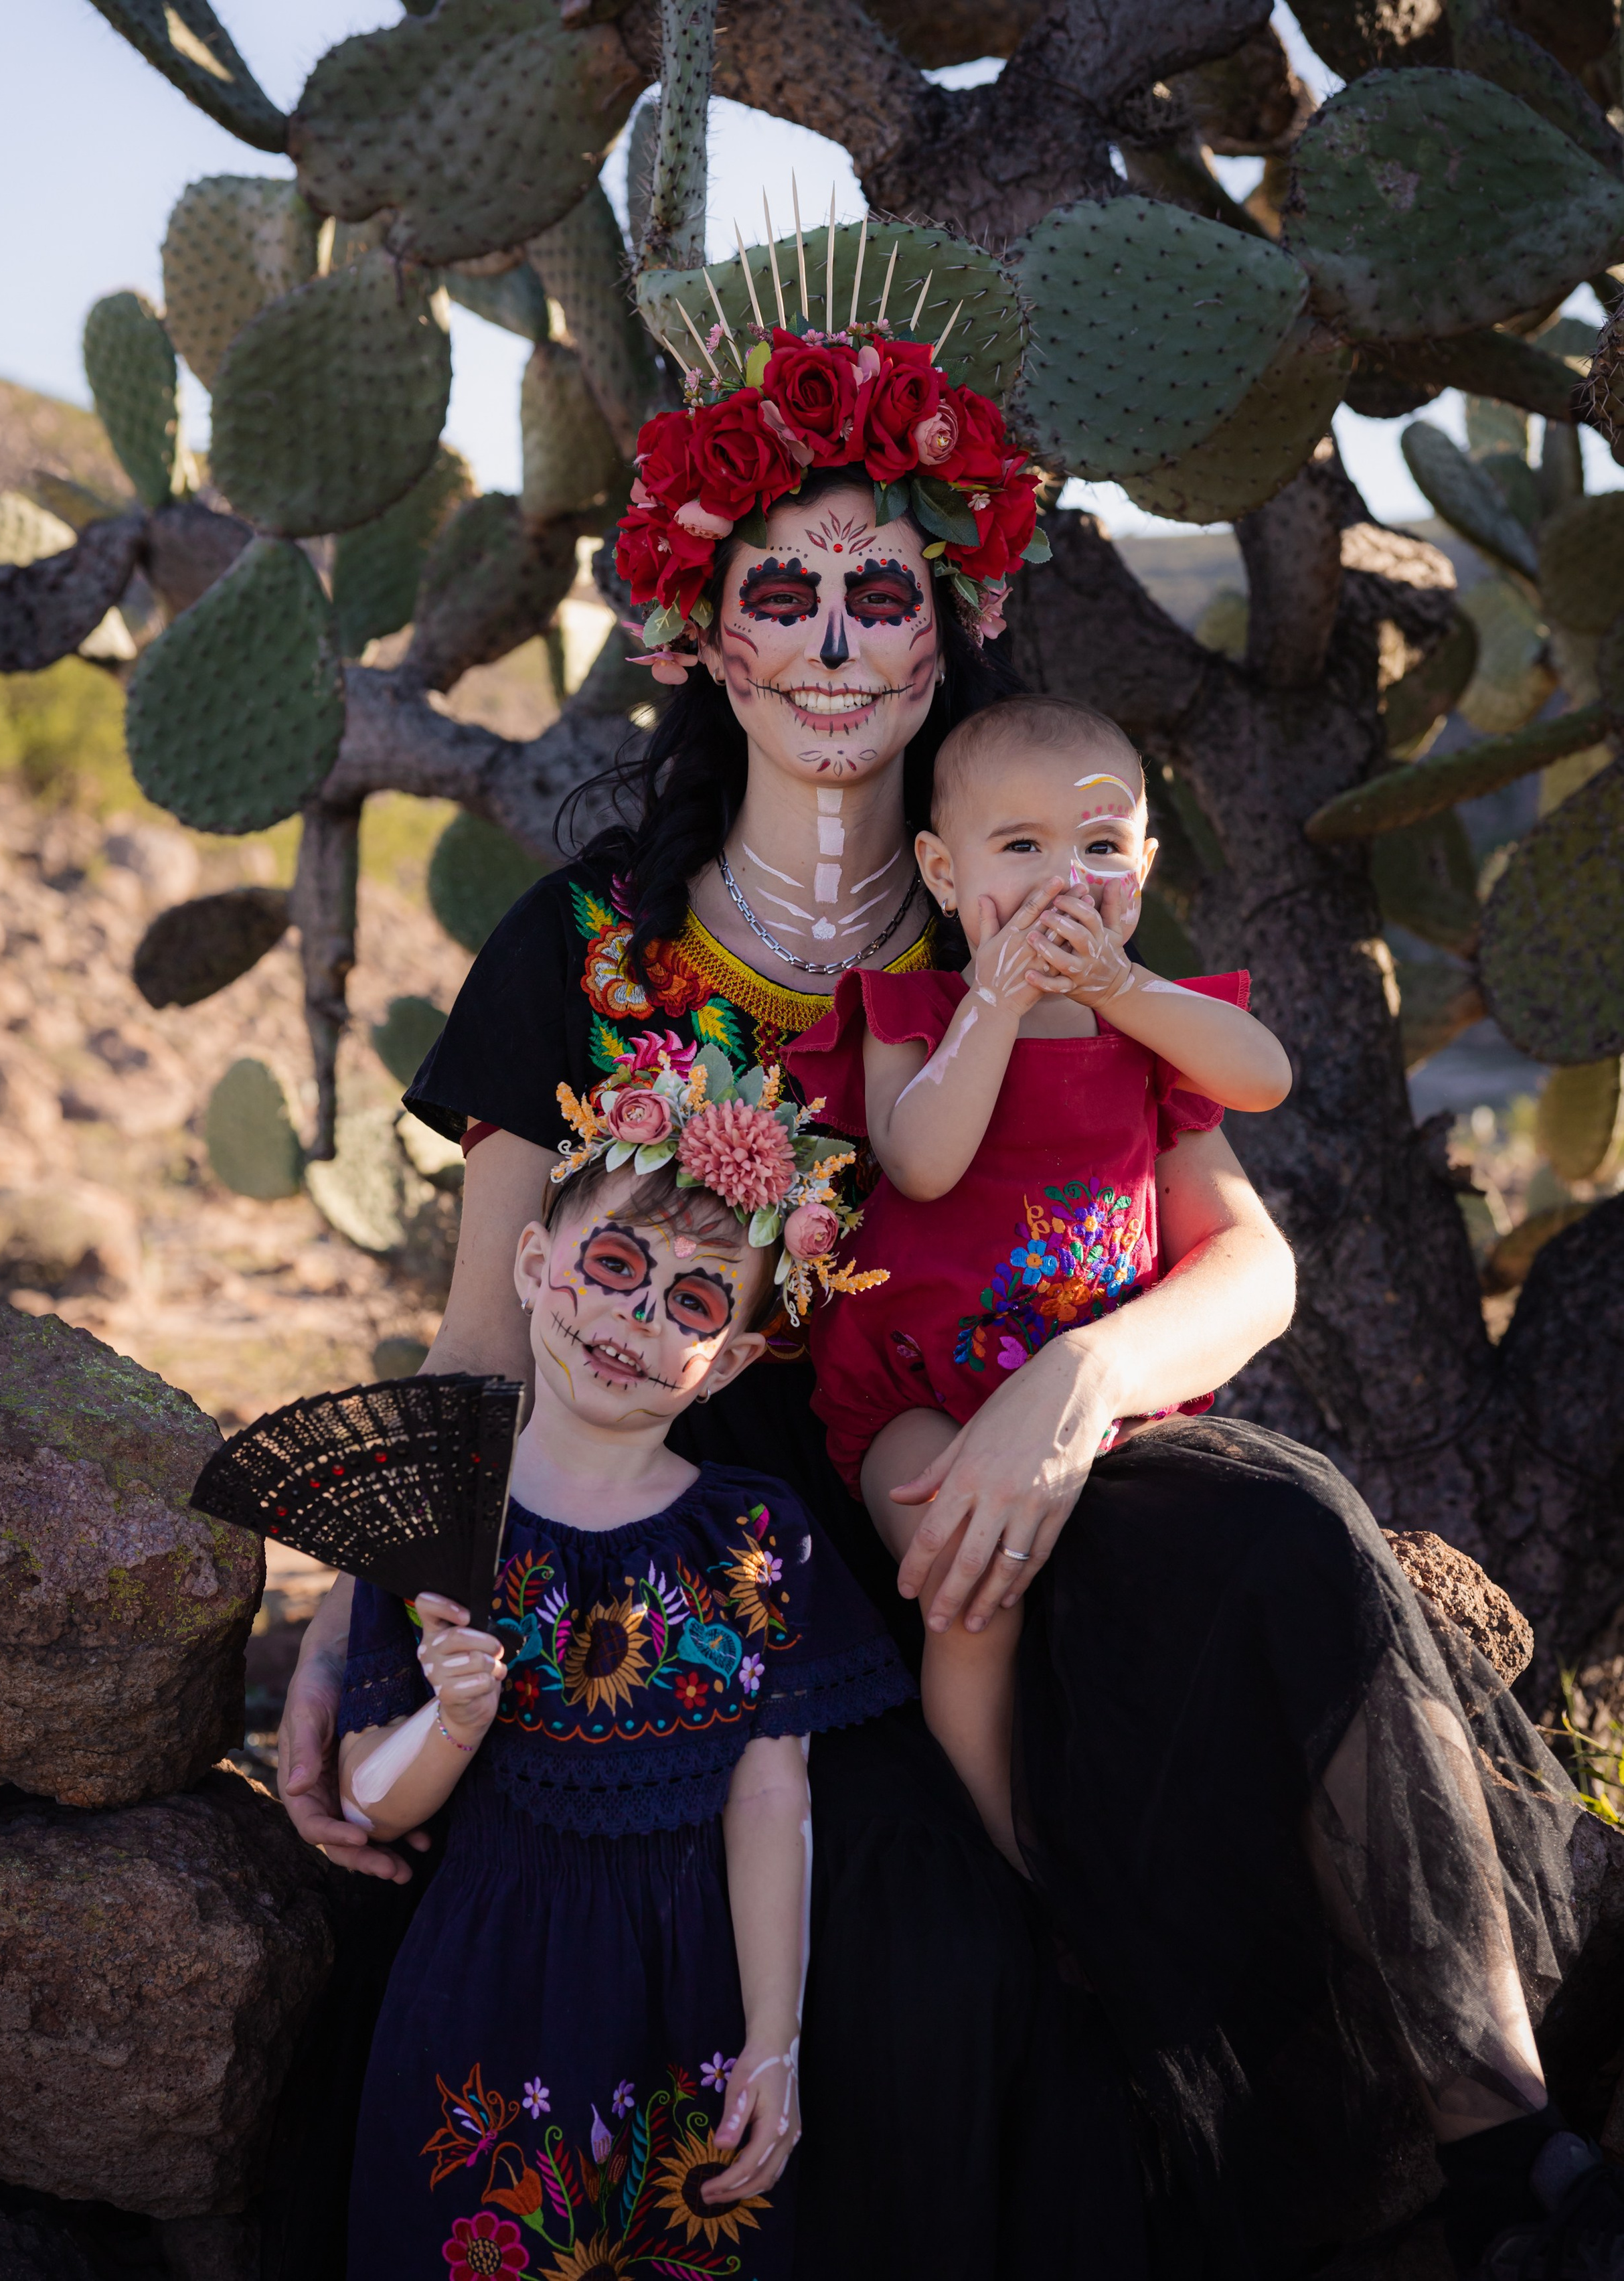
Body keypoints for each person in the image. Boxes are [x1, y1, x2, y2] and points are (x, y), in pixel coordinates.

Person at [275, 272, 1604, 2278]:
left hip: (1036, 1482)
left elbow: (1247, 1260)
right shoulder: (583, 948)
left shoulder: (1043, 888)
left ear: (949, 624)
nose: (829, 642)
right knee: (928, 1955)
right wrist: (349, 1614)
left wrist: (1063, 1407)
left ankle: (1505, 2183)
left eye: (878, 594)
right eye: (781, 596)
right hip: (716, 1560)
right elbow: (482, 1333)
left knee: (1282, 1544)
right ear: (703, 634)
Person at [337, 1072, 913, 2280]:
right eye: (613, 1267)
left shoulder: (758, 1536)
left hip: (691, 2007)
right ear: (537, 1260)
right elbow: (368, 1801)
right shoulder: (443, 1516)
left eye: (693, 1301)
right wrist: (452, 1721)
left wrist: (774, 2039)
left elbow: (771, 1802)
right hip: (480, 2007)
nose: (637, 1316)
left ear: (737, 1356)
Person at [784, 694, 1292, 1867]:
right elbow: (920, 1160)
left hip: (1099, 1407)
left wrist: (1124, 992)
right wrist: (997, 1003)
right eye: (1022, 849)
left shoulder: (1152, 1034)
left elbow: (1263, 1077)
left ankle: (1143, 1825)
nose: (1068, 878)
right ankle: (1004, 1848)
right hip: (918, 1395)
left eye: (1101, 847)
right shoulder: (913, 1013)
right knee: (968, 1587)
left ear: (1145, 868)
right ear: (943, 873)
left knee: (1168, 1588)